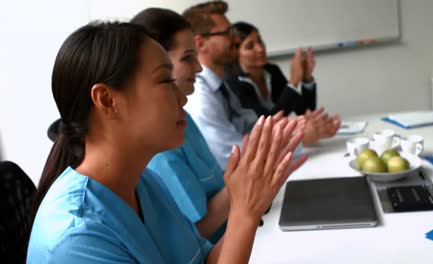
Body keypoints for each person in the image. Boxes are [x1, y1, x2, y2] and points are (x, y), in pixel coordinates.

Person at [27, 21, 304, 263]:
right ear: (108, 100)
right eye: (164, 80)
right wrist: (244, 211)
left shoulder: (146, 184)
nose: (183, 98)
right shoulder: (77, 238)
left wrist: (247, 208)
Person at [130, 8, 295, 243]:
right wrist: (244, 177)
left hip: (240, 234)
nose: (198, 68)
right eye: (188, 57)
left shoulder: (184, 119)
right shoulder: (157, 143)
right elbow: (193, 233)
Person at [183, 1, 340, 168]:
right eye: (227, 33)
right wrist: (296, 139)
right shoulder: (201, 96)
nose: (235, 38)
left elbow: (251, 127)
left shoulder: (221, 86)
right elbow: (230, 155)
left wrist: (290, 129)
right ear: (200, 44)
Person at [226, 21, 319, 117]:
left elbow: (305, 112)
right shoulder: (233, 83)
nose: (260, 48)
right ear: (235, 53)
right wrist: (293, 82)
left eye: (260, 41)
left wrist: (307, 78)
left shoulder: (272, 71)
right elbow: (264, 122)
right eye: (250, 46)